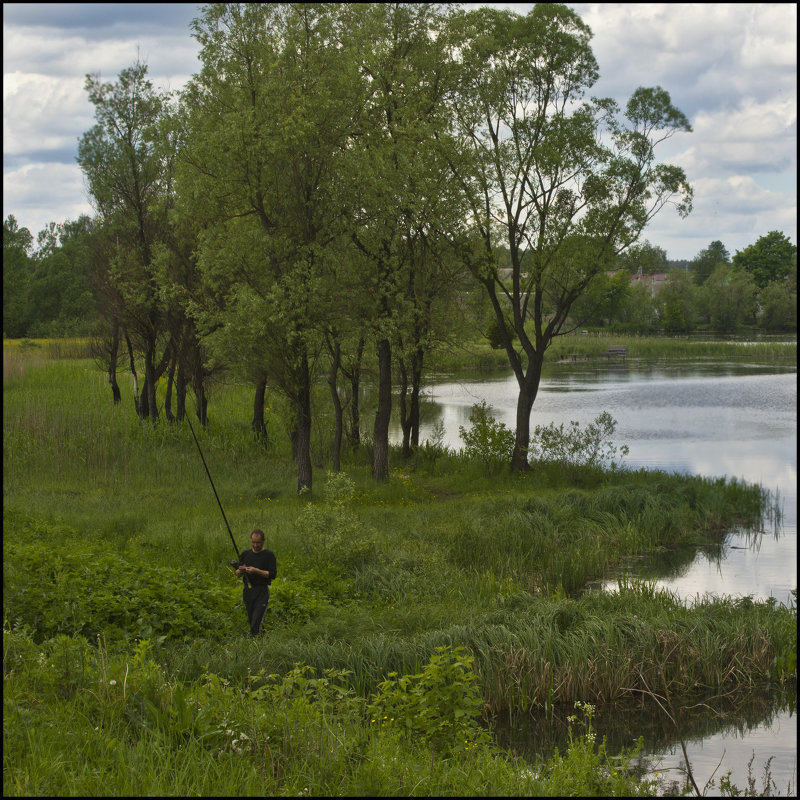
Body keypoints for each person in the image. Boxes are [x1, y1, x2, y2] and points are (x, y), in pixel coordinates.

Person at [235, 529, 277, 636]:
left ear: (263, 541)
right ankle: (261, 639)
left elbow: (272, 574)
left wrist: (256, 571)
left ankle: (255, 645)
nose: (255, 545)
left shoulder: (269, 555)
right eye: (253, 542)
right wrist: (240, 570)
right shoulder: (245, 554)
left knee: (256, 623)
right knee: (252, 620)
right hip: (248, 591)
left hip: (261, 591)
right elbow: (238, 574)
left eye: (258, 542)